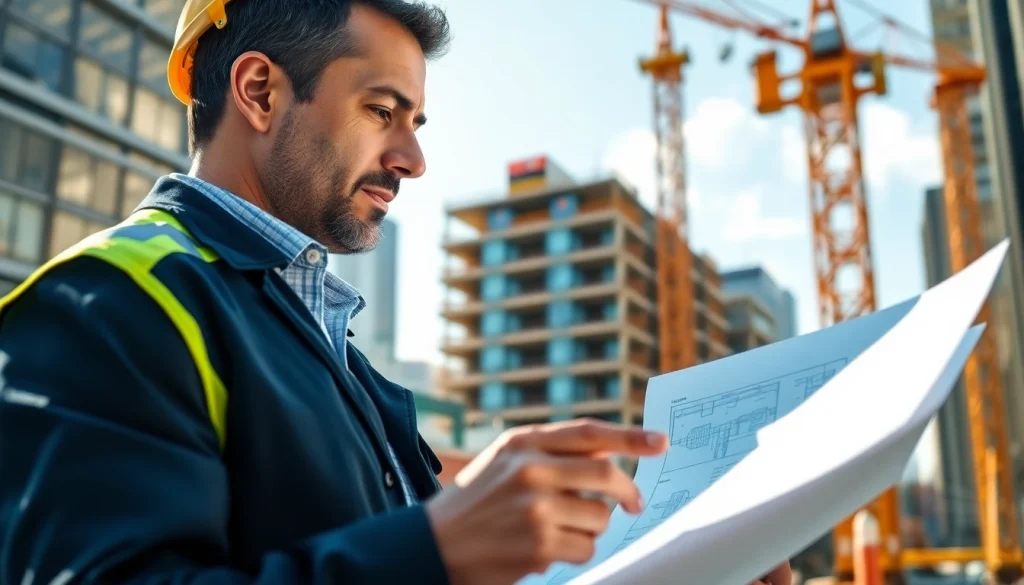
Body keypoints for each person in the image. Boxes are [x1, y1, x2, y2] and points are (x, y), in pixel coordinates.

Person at [0, 1, 791, 585]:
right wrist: (438, 548)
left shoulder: (333, 356)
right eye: (383, 111)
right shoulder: (102, 305)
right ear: (260, 92)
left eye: (415, 120)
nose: (413, 158)